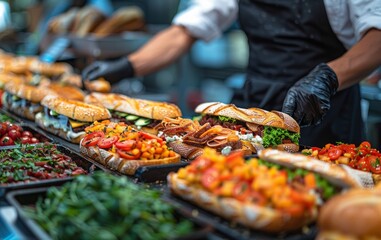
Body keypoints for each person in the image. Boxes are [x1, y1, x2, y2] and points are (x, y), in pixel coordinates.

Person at [81, 0, 381, 147]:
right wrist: (123, 67)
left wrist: (327, 77)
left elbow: (377, 36)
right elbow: (185, 30)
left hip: (325, 107)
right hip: (258, 102)